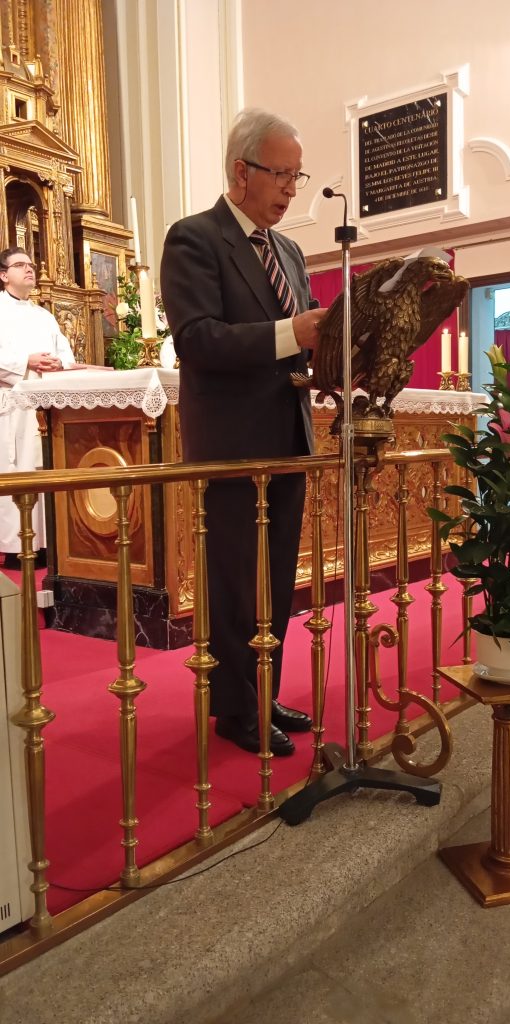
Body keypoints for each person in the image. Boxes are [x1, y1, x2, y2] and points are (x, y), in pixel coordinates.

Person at [161, 108, 328, 756]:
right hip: (231, 445)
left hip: (287, 437)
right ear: (241, 171)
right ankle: (236, 712)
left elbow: (299, 346)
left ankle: (264, 694)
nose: (291, 189)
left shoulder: (288, 250)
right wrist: (294, 333)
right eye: (281, 174)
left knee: (276, 580)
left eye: (297, 175)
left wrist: (331, 354)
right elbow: (198, 339)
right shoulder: (194, 238)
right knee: (236, 581)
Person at [0, 246, 76, 566]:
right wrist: (25, 361)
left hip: (45, 405)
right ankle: (15, 547)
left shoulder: (44, 315)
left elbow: (66, 353)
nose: (29, 269)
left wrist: (59, 363)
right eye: (20, 265)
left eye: (30, 264)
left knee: (44, 468)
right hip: (12, 406)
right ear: (4, 275)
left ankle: (47, 544)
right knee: (17, 469)